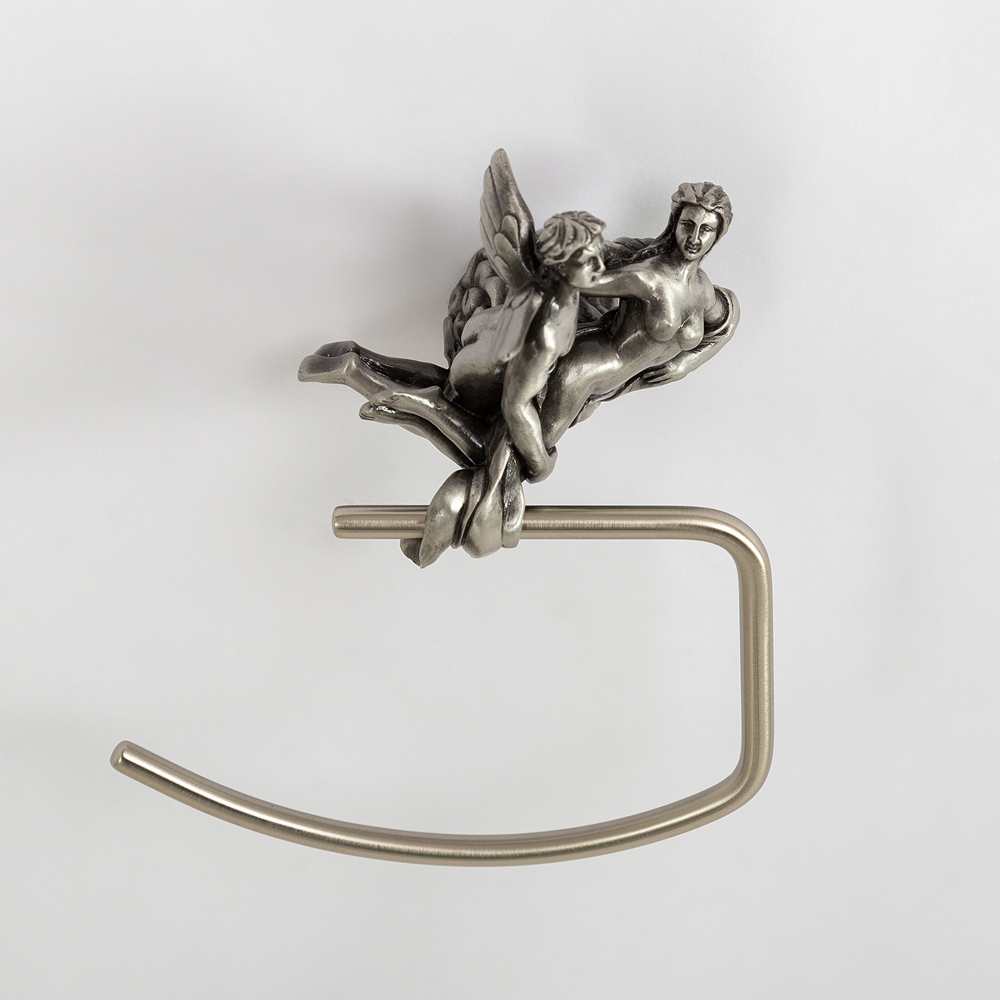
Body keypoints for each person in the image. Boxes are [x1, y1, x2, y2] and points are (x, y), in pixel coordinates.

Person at [538, 182, 739, 449]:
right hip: (581, 373)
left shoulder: (703, 289)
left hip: (614, 386)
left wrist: (686, 364)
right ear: (674, 225)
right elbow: (574, 282)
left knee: (531, 452)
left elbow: (727, 321)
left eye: (706, 229)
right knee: (535, 455)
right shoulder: (648, 276)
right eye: (688, 225)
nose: (694, 238)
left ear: (717, 235)